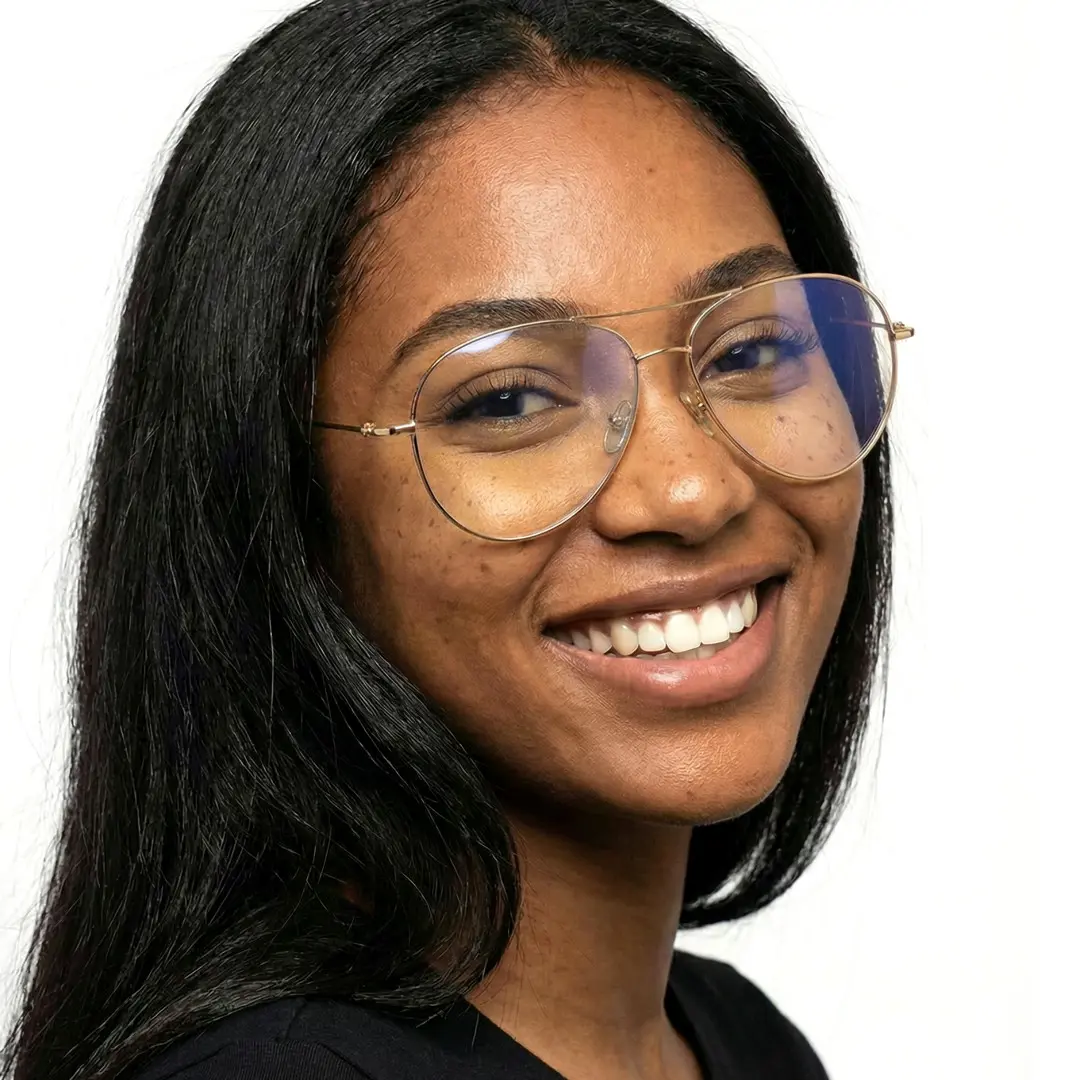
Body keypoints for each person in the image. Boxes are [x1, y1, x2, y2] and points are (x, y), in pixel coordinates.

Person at [1, 1, 913, 1078]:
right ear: (281, 503)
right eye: (509, 401)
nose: (693, 485)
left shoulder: (737, 1044)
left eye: (753, 348)